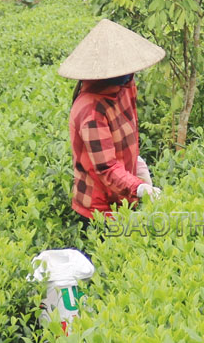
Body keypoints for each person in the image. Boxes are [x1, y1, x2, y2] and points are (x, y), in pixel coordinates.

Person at [57, 19, 165, 227]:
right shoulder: (90, 109)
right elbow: (106, 167)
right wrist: (139, 187)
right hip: (99, 207)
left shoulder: (125, 85)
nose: (128, 75)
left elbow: (129, 128)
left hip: (124, 194)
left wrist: (136, 163)